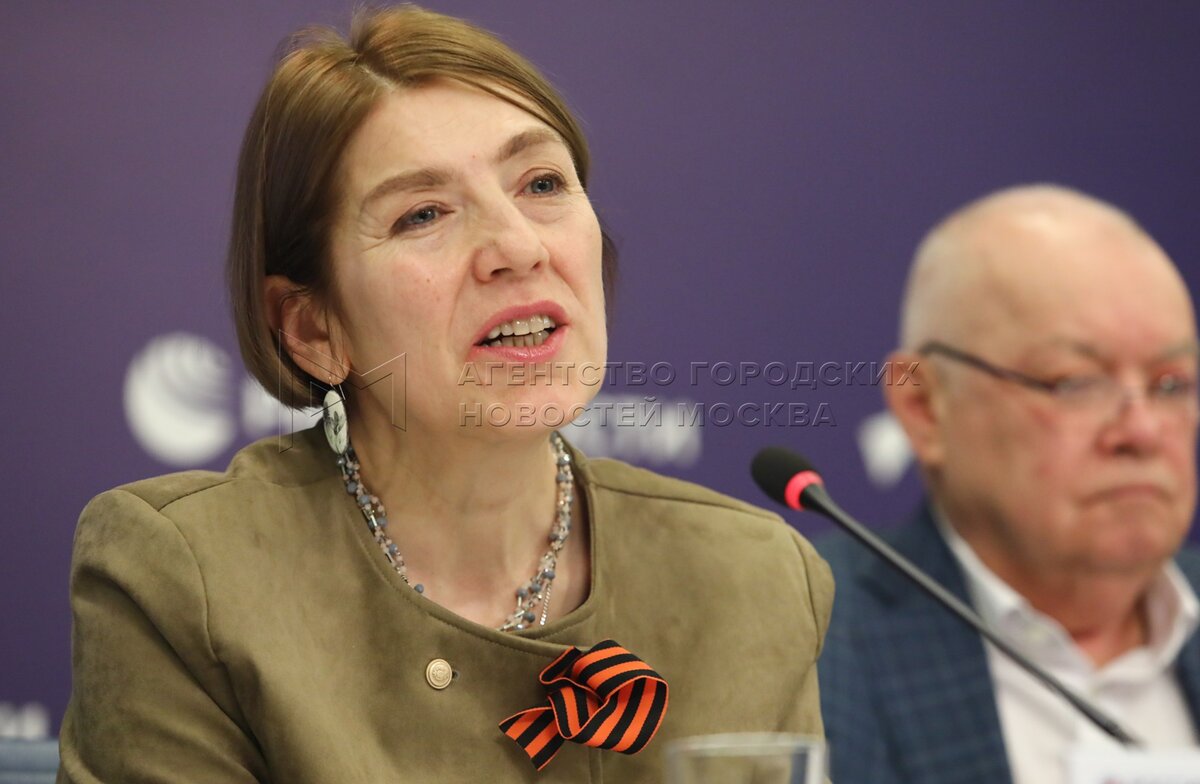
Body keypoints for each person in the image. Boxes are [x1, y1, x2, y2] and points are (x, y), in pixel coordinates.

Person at [56, 6, 833, 782]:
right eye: (423, 214)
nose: (518, 246)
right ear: (313, 328)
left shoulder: (750, 579)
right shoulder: (191, 579)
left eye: (541, 183)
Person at [818, 184, 1200, 784]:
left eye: (1171, 383)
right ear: (925, 407)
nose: (1142, 430)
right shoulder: (811, 642)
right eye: (1075, 381)